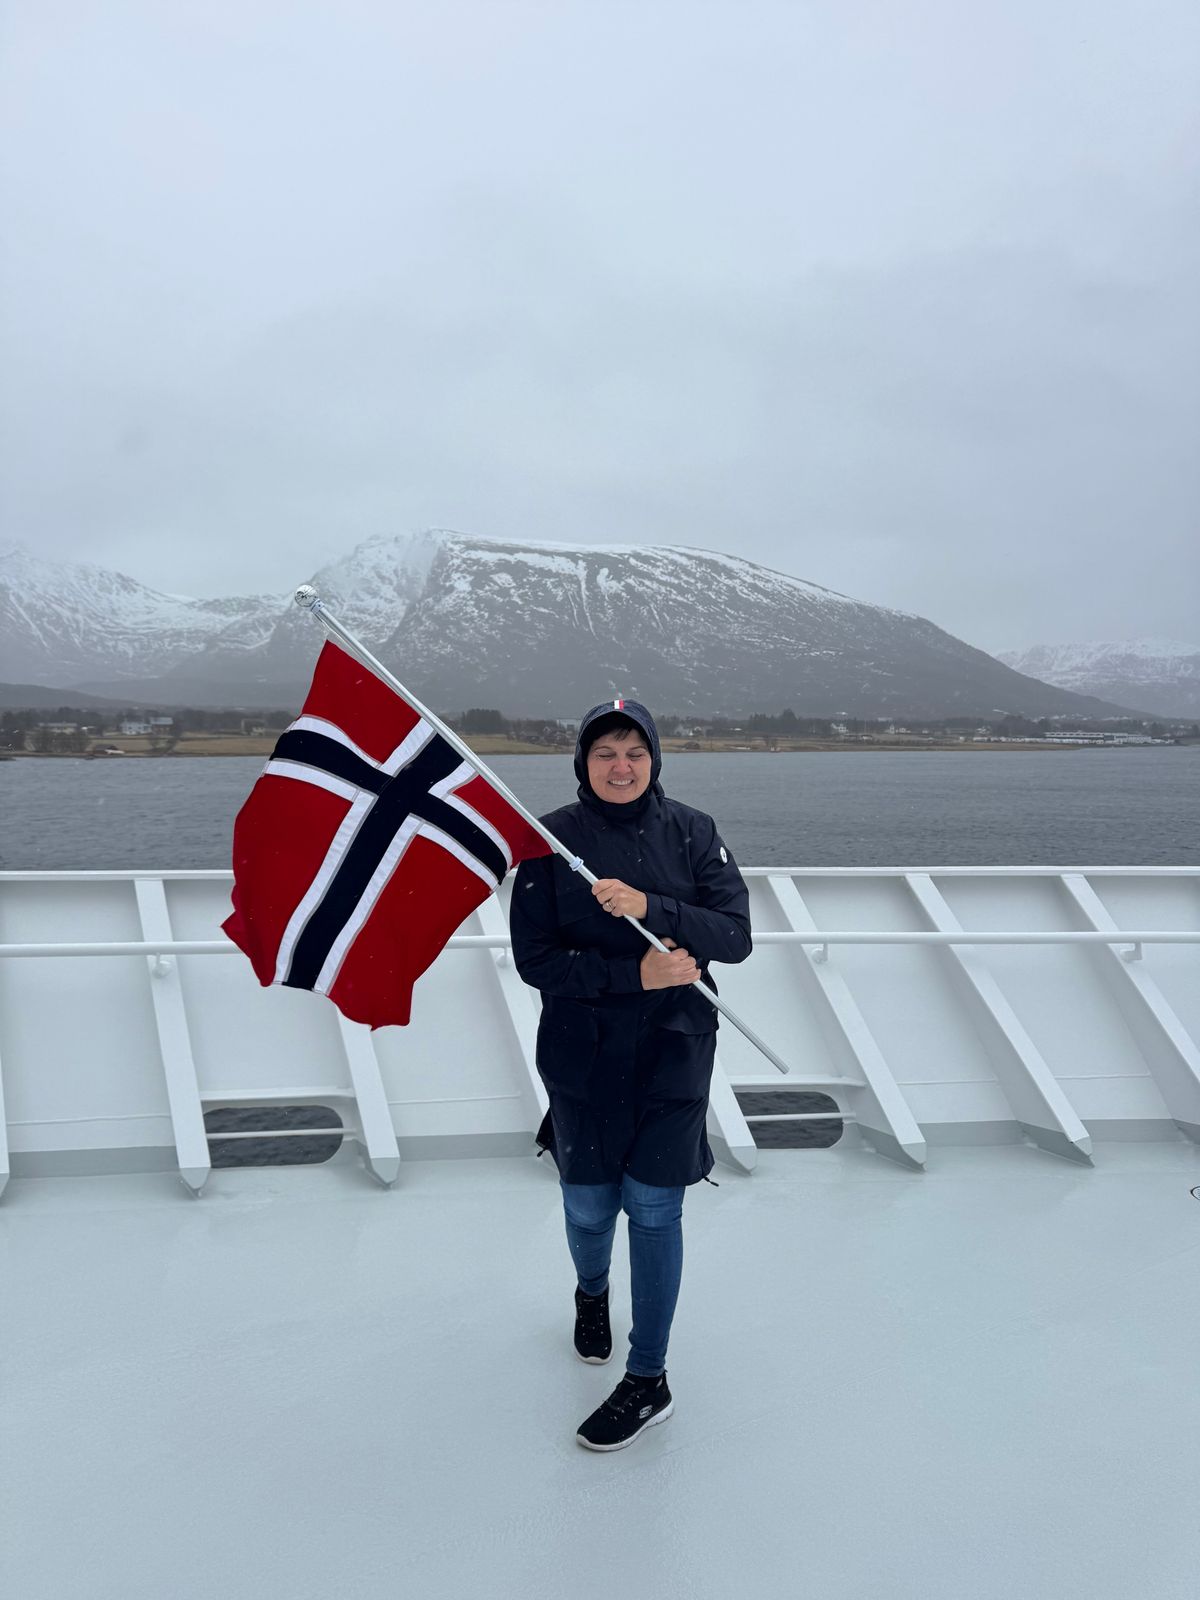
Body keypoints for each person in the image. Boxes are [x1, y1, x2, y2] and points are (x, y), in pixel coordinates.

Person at [509, 699, 752, 1451]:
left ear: (654, 760)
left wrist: (653, 906)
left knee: (653, 1209)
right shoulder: (549, 843)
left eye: (634, 753)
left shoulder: (694, 832)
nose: (621, 767)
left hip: (674, 1050)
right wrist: (631, 975)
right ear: (582, 763)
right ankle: (592, 1294)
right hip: (581, 1054)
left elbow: (735, 936)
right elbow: (535, 961)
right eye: (605, 753)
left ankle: (649, 1379)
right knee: (588, 1208)